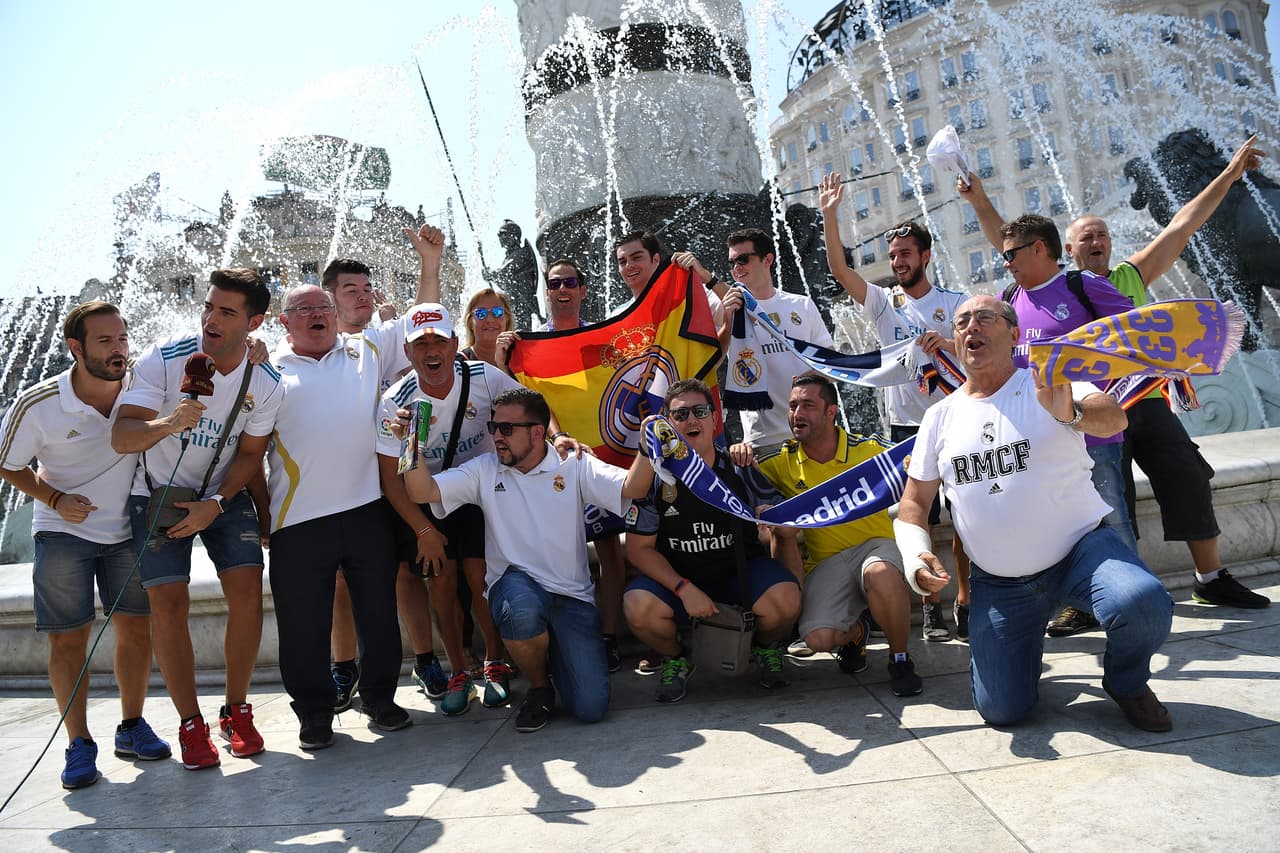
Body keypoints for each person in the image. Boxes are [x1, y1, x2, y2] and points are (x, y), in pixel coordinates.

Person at [896, 294, 1174, 731]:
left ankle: (1127, 682)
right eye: (962, 321)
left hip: (1082, 553)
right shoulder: (939, 417)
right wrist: (915, 556)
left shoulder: (1050, 383)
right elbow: (913, 504)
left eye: (985, 318)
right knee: (1004, 712)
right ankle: (1020, 655)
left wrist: (1071, 413)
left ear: (1014, 333)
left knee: (1142, 602)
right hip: (1000, 582)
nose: (972, 327)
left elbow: (1113, 418)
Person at [404, 387, 651, 732]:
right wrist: (410, 441)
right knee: (520, 609)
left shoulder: (573, 463)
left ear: (538, 431)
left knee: (591, 707)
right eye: (494, 428)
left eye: (507, 429)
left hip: (571, 598)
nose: (497, 437)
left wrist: (648, 445)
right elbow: (422, 491)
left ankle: (554, 654)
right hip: (515, 589)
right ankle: (539, 687)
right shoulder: (485, 468)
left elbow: (632, 488)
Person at [112, 269, 282, 771]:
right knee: (168, 602)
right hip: (158, 494)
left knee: (248, 590)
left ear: (255, 322)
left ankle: (236, 710)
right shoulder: (165, 358)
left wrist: (219, 503)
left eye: (227, 312)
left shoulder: (266, 381)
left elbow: (252, 454)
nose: (211, 318)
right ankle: (191, 724)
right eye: (209, 306)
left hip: (221, 496)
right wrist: (170, 422)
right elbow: (122, 436)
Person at [0, 301, 170, 789]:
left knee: (137, 631)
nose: (119, 351)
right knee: (68, 640)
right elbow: (8, 463)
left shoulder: (142, 385)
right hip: (61, 532)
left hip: (127, 530)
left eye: (122, 339)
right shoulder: (39, 403)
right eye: (105, 342)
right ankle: (78, 743)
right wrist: (53, 497)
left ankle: (132, 726)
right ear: (76, 348)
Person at [818, 171, 972, 642]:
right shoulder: (886, 304)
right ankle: (930, 606)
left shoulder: (957, 302)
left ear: (925, 256)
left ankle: (966, 597)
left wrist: (947, 342)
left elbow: (984, 351)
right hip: (907, 429)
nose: (898, 262)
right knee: (918, 520)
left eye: (905, 254)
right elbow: (842, 272)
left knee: (968, 515)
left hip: (958, 421)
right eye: (891, 257)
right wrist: (830, 216)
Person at [266, 284, 411, 749]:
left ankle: (380, 700)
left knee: (380, 617)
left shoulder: (364, 347)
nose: (316, 315)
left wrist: (430, 264)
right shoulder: (265, 370)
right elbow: (248, 453)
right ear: (284, 322)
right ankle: (314, 714)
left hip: (368, 508)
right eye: (302, 310)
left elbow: (421, 318)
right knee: (302, 627)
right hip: (298, 522)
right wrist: (258, 515)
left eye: (323, 307)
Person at [375, 303, 523, 716]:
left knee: (479, 577)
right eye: (421, 343)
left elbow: (530, 407)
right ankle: (458, 667)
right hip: (425, 499)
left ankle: (493, 661)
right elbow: (392, 477)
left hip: (475, 492)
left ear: (456, 344)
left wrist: (560, 436)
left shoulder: (481, 375)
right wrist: (423, 531)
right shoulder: (397, 401)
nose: (431, 349)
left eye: (439, 340)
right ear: (407, 352)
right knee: (440, 581)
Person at [324, 227, 448, 713]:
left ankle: (425, 658)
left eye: (367, 289)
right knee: (338, 582)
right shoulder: (309, 349)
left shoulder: (380, 340)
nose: (363, 296)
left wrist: (430, 263)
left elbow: (424, 317)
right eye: (350, 290)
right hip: (336, 483)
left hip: (388, 478)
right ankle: (342, 666)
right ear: (329, 300)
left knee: (405, 574)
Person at [622, 379, 801, 702]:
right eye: (680, 415)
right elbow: (637, 549)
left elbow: (776, 516)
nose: (691, 420)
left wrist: (768, 516)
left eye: (700, 411)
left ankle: (764, 647)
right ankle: (677, 656)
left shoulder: (739, 466)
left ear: (715, 419)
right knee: (637, 606)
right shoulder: (655, 478)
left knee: (786, 598)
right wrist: (682, 588)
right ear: (668, 425)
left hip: (739, 576)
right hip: (680, 581)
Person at [496, 258, 632, 673]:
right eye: (554, 284)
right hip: (557, 466)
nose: (562, 289)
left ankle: (606, 639)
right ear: (546, 292)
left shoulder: (603, 337)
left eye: (570, 282)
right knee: (562, 553)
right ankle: (561, 641)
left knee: (611, 553)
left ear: (584, 289)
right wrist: (505, 365)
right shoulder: (532, 347)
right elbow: (529, 402)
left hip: (604, 457)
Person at [755, 374, 923, 697]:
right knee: (817, 639)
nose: (797, 414)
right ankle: (858, 632)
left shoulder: (870, 450)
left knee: (881, 572)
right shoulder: (781, 463)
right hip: (827, 564)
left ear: (832, 412)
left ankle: (899, 659)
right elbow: (742, 479)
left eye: (807, 405)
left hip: (876, 549)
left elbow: (916, 460)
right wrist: (740, 456)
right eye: (792, 406)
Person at [461, 288, 514, 365]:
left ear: (507, 319)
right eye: (481, 313)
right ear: (470, 322)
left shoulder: (522, 362)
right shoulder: (456, 365)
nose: (490, 319)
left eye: (497, 312)